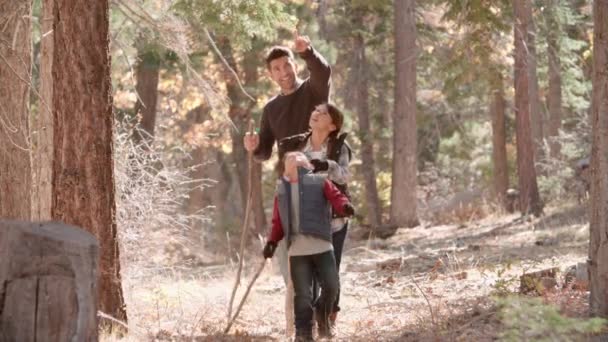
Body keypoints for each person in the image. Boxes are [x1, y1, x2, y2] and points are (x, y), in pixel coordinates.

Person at [243, 32, 332, 337]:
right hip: (288, 187)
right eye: (276, 69)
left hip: (318, 184)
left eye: (286, 65)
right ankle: (300, 327)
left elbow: (323, 72)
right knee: (290, 259)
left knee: (322, 257)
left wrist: (309, 51)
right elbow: (265, 152)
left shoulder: (312, 93)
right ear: (270, 75)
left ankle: (323, 317)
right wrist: (253, 146)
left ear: (294, 65)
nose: (283, 72)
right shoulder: (270, 109)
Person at [262, 152, 355, 341]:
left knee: (331, 285)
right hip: (297, 251)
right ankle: (303, 333)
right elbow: (278, 220)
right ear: (284, 168)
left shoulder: (320, 182)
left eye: (298, 157)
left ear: (308, 165)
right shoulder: (281, 189)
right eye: (289, 158)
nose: (294, 159)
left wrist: (344, 206)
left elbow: (337, 197)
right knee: (302, 294)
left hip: (322, 244)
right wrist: (272, 241)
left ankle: (322, 314)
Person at [278, 103, 351, 330]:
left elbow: (345, 177)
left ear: (332, 125)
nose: (315, 114)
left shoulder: (339, 147)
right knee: (308, 275)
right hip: (306, 221)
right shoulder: (298, 145)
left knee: (331, 273)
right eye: (315, 111)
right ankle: (308, 324)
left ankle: (327, 315)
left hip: (334, 221)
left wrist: (327, 165)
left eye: (323, 113)